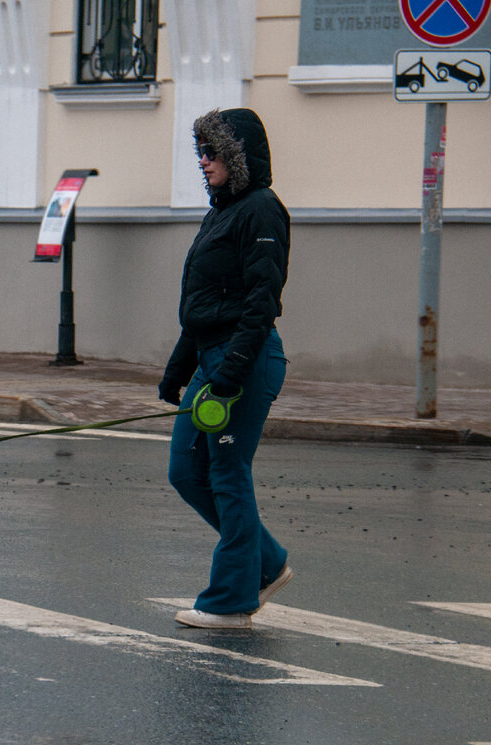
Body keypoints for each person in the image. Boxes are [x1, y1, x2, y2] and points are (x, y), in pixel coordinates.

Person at [157, 108, 294, 630]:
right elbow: (203, 307)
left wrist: (231, 373)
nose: (203, 162)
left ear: (237, 156)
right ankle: (268, 562)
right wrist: (177, 372)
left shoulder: (262, 210)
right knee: (184, 470)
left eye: (211, 152)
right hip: (212, 357)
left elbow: (261, 302)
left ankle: (232, 600)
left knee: (228, 474)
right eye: (200, 152)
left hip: (247, 359)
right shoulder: (222, 211)